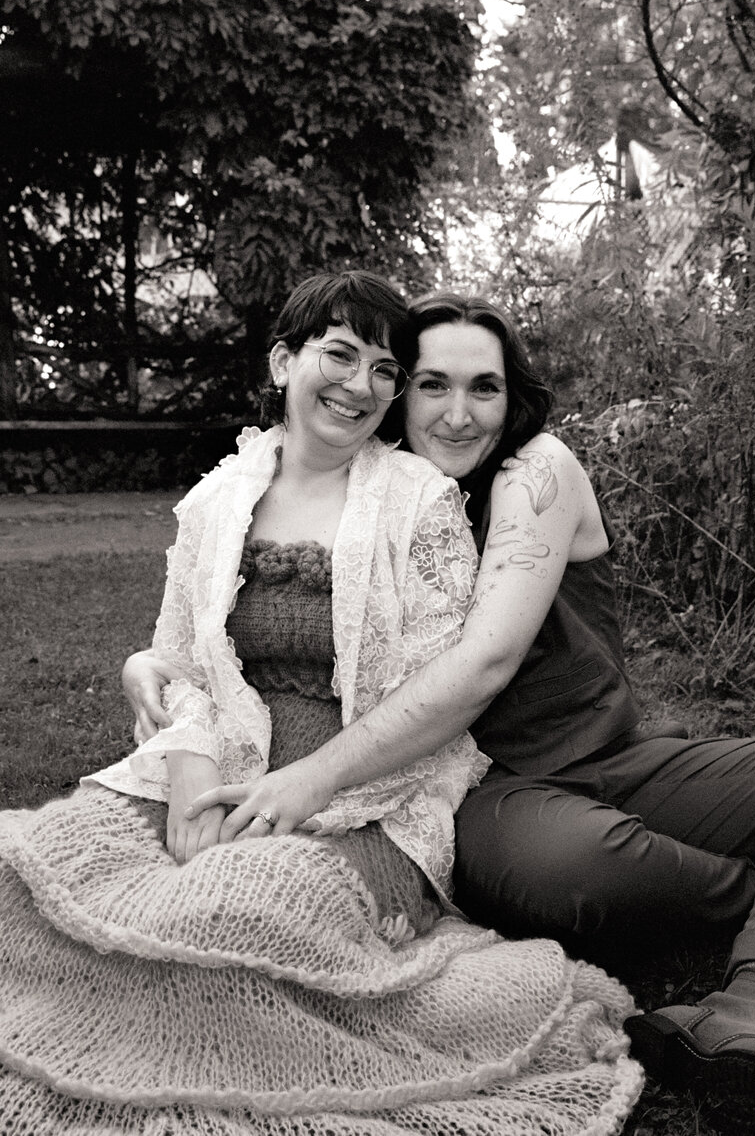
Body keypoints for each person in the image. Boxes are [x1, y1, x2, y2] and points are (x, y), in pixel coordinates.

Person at [126, 288, 755, 1135]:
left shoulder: (536, 472)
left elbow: (481, 663)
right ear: (400, 397)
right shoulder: (381, 497)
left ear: (511, 398)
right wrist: (150, 658)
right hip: (495, 791)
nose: (457, 413)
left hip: (620, 757)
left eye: (483, 387)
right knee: (571, 874)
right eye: (431, 384)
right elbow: (241, 624)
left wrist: (310, 779)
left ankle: (752, 996)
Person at [0, 273, 642, 1136]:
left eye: (385, 371)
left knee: (235, 911)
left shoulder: (421, 502)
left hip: (366, 800)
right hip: (218, 766)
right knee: (31, 866)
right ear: (282, 361)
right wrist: (190, 784)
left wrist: (302, 795)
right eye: (340, 356)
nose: (362, 386)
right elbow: (185, 661)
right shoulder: (217, 501)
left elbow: (435, 691)